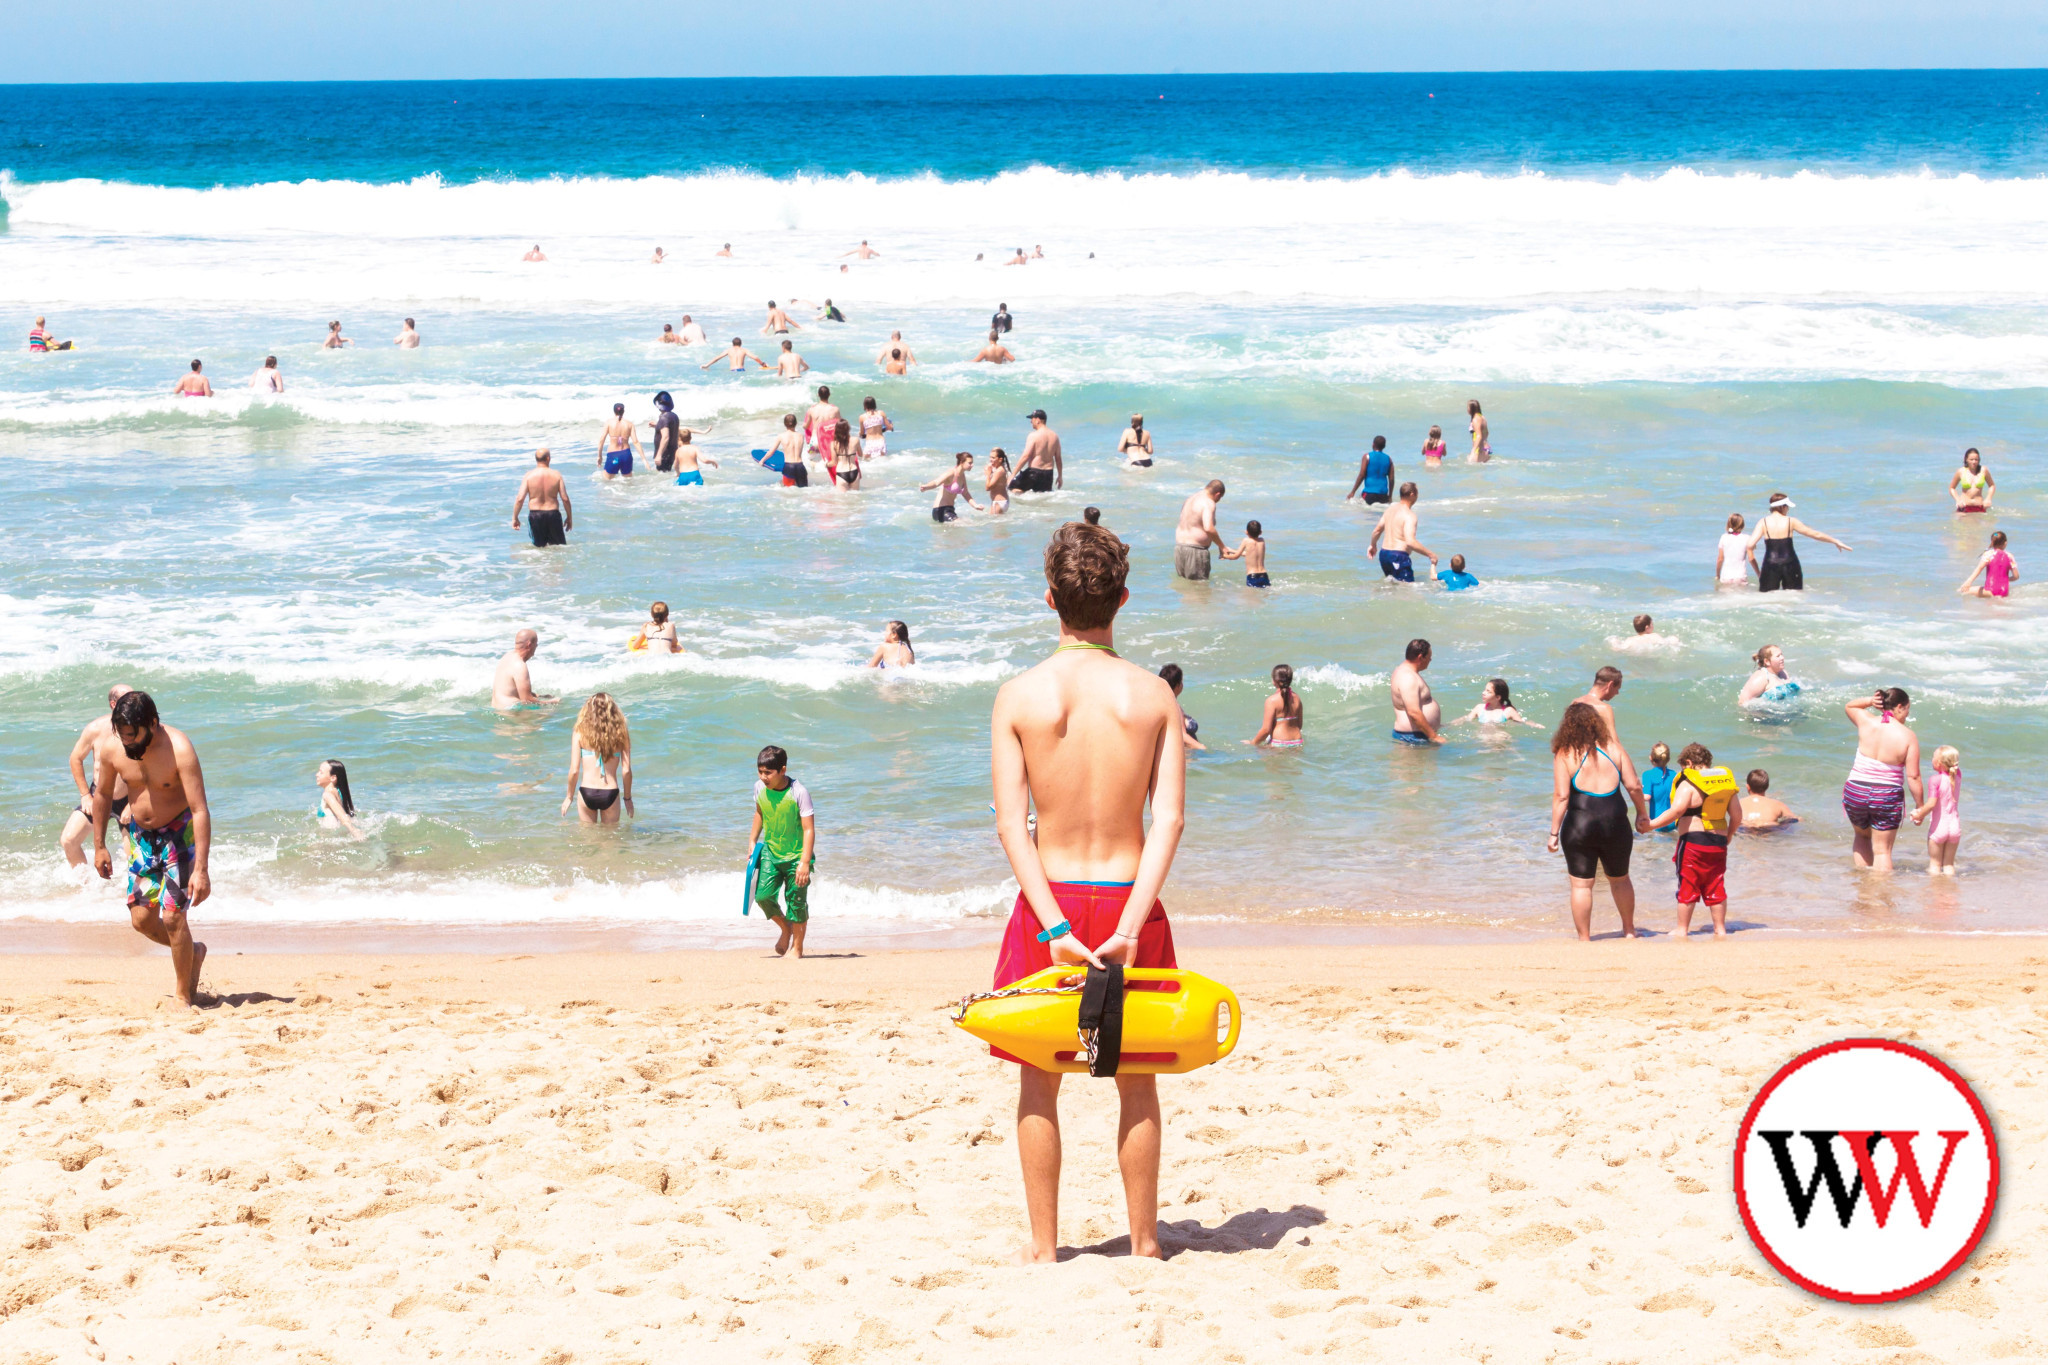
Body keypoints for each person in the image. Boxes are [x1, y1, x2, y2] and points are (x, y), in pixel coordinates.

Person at [989, 521, 1187, 1264]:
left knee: (1039, 1084)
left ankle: (1046, 1249)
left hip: (1052, 907)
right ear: (1124, 599)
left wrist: (1051, 929)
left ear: (1049, 599)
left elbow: (1013, 827)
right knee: (1137, 1083)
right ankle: (1143, 1244)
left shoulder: (1019, 697)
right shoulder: (1154, 697)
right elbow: (1168, 821)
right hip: (1133, 902)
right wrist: (1132, 924)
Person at [90, 691, 212, 1005]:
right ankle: (192, 953)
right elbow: (102, 795)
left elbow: (199, 809)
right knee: (142, 920)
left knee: (173, 919)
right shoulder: (114, 748)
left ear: (153, 724)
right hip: (141, 838)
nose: (127, 742)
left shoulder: (179, 749)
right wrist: (99, 845)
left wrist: (201, 870)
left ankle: (183, 995)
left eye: (133, 735)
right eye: (122, 735)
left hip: (178, 837)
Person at [1547, 701, 1649, 941]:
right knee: (1620, 879)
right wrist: (1642, 815)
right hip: (1615, 821)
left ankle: (1584, 938)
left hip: (1579, 824)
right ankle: (1629, 931)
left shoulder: (1565, 753)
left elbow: (1561, 797)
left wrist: (1553, 833)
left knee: (1582, 885)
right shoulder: (1614, 749)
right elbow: (1634, 785)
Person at [1646, 742, 1742, 938]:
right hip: (1718, 843)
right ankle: (1720, 929)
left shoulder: (1688, 783)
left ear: (1688, 763)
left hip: (1693, 842)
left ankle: (1682, 929)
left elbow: (1677, 810)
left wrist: (1651, 825)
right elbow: (1737, 816)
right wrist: (1729, 835)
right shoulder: (1724, 783)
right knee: (1716, 883)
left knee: (1688, 884)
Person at [1842, 688, 1924, 872]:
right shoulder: (1908, 736)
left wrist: (1870, 701)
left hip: (1856, 790)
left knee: (1862, 837)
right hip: (1885, 794)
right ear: (1900, 707)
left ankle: (1864, 886)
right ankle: (1879, 895)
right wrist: (1920, 806)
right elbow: (1913, 776)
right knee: (1882, 851)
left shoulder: (1866, 721)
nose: (1907, 715)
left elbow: (1850, 705)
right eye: (1907, 709)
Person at [749, 745, 815, 957]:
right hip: (771, 852)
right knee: (763, 896)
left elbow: (808, 829)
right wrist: (752, 840)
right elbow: (759, 812)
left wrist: (805, 862)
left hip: (797, 856)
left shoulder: (799, 792)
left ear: (783, 770)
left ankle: (797, 948)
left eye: (768, 772)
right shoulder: (759, 788)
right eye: (760, 771)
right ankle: (786, 927)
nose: (763, 777)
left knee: (796, 902)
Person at [60, 685, 133, 867]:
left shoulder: (139, 730)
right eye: (128, 700)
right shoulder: (95, 729)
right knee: (69, 840)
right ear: (113, 704)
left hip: (130, 797)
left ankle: (125, 892)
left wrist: (132, 805)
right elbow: (75, 758)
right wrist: (86, 795)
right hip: (99, 795)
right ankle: (87, 889)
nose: (133, 704)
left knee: (132, 856)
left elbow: (149, 771)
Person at [1749, 493, 1851, 593]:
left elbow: (1750, 545)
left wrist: (1758, 572)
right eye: (1787, 507)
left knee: (1767, 598)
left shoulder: (1763, 522)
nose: (1788, 509)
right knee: (1795, 596)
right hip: (1790, 563)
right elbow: (1815, 534)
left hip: (1770, 564)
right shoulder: (1791, 521)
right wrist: (1835, 541)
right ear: (1782, 507)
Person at [562, 693, 633, 825]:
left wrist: (569, 797)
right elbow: (626, 770)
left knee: (588, 841)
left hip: (586, 792)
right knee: (610, 843)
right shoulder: (621, 733)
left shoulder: (579, 732)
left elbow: (574, 770)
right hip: (610, 792)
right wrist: (628, 799)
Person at [1367, 482, 1437, 582]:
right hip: (1398, 556)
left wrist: (1372, 545)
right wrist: (1431, 555)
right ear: (1412, 494)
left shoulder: (1390, 509)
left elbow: (1377, 530)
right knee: (1407, 591)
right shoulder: (1409, 515)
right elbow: (1410, 542)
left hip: (1384, 555)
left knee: (1392, 587)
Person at [1911, 746, 1962, 875]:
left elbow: (1931, 804)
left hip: (1939, 827)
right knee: (1949, 865)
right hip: (1955, 827)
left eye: (1933, 757)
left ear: (1938, 762)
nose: (1931, 759)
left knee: (1935, 865)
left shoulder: (1935, 780)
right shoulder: (1958, 775)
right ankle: (1949, 890)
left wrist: (1919, 815)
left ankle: (1935, 891)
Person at [1391, 638, 1446, 745]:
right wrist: (1434, 737)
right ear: (1420, 657)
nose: (1430, 660)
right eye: (1429, 657)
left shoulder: (1403, 671)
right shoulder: (1408, 677)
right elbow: (1413, 712)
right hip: (1412, 738)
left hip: (1415, 736)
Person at [512, 449, 571, 546]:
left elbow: (520, 499)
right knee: (558, 548)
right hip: (553, 514)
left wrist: (515, 518)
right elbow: (565, 499)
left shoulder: (529, 476)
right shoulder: (556, 475)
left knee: (538, 549)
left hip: (536, 516)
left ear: (536, 459)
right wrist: (569, 518)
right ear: (548, 458)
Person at [1173, 481, 1227, 581]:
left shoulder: (1190, 499)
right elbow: (1208, 528)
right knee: (1199, 591)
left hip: (1179, 548)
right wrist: (1222, 547)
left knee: (1187, 590)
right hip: (1195, 551)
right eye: (1220, 498)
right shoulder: (1208, 502)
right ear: (1218, 494)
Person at [492, 630, 557, 710]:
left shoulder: (507, 657)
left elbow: (511, 690)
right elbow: (527, 701)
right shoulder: (520, 666)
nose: (536, 647)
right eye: (536, 644)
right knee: (554, 713)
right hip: (511, 713)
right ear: (529, 645)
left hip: (497, 709)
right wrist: (553, 702)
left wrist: (539, 696)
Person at [1247, 664, 1304, 747]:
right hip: (1297, 742)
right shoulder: (1297, 698)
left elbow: (1266, 730)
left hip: (1279, 743)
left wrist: (1253, 742)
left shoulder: (1271, 701)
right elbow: (1299, 725)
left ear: (1274, 681)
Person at [1454, 677, 1541, 728]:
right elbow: (1466, 719)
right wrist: (1448, 725)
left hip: (1501, 740)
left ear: (1498, 697)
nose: (1483, 693)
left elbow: (1522, 722)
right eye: (1484, 690)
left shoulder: (1508, 711)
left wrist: (1535, 725)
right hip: (1483, 740)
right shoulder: (1479, 708)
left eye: (1488, 691)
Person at [922, 452, 984, 522]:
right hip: (940, 510)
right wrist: (926, 487)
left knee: (963, 526)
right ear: (961, 462)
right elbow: (936, 482)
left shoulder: (962, 476)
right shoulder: (951, 473)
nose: (972, 465)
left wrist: (975, 506)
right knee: (963, 524)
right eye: (969, 463)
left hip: (950, 510)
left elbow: (965, 493)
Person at [1012, 410, 1062, 493]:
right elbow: (1058, 458)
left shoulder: (1034, 435)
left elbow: (1026, 456)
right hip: (1048, 474)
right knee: (1040, 497)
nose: (1031, 421)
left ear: (1038, 420)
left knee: (1012, 488)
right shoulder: (1055, 436)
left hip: (1034, 472)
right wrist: (1060, 476)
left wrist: (1013, 474)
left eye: (1032, 418)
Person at [1158, 663, 1205, 751]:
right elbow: (1182, 735)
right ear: (1178, 685)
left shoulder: (1162, 704)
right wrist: (1202, 747)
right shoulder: (1173, 706)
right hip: (1186, 756)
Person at [313, 760, 363, 839]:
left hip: (329, 838)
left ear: (333, 778)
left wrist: (354, 831)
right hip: (335, 835)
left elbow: (342, 815)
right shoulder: (338, 791)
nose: (316, 775)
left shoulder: (327, 795)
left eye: (321, 772)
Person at [1959, 531, 2016, 598]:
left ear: (1992, 542)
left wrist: (1968, 582)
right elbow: (2016, 576)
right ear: (2005, 543)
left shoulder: (1988, 554)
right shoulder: (2010, 556)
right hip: (2004, 592)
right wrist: (2003, 579)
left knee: (1961, 591)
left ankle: (1968, 607)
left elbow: (1979, 568)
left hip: (1990, 591)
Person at [1346, 436, 1394, 505]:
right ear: (1384, 446)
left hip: (1369, 494)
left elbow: (1362, 475)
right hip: (1383, 495)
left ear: (1373, 444)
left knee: (1365, 513)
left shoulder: (1367, 457)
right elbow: (1391, 479)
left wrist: (1353, 492)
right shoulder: (1389, 459)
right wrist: (1390, 496)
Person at [1220, 519, 1269, 587]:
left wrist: (1224, 556)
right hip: (1264, 575)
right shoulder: (1262, 541)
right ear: (1260, 532)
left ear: (1246, 532)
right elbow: (1250, 554)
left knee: (1251, 597)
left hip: (1252, 576)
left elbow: (1235, 557)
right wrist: (1232, 550)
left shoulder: (1246, 540)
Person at [597, 402, 640, 478]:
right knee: (628, 483)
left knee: (606, 482)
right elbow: (635, 441)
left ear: (614, 411)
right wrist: (644, 460)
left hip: (614, 455)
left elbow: (601, 440)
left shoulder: (609, 422)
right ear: (624, 411)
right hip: (626, 455)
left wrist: (599, 456)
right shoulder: (630, 424)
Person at [767, 414, 810, 487]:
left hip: (789, 467)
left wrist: (762, 461)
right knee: (804, 491)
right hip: (800, 466)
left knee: (789, 493)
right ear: (796, 423)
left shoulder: (781, 436)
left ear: (784, 424)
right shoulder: (801, 436)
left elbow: (771, 452)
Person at [1715, 512, 1756, 587]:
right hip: (1740, 576)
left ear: (1728, 524)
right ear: (1742, 525)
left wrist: (1717, 575)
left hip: (1726, 575)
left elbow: (1720, 559)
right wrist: (1759, 573)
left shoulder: (1724, 537)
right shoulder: (1747, 538)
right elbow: (1751, 557)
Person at [646, 391, 682, 472]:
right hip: (672, 452)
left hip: (664, 454)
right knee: (666, 475)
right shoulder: (674, 416)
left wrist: (659, 455)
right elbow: (671, 429)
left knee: (661, 475)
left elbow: (665, 437)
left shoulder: (663, 418)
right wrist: (657, 425)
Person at [1950, 448, 1994, 513]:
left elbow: (1992, 485)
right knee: (1959, 523)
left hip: (1980, 506)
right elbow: (1952, 488)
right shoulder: (1961, 471)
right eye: (1971, 459)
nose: (1974, 462)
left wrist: (1988, 498)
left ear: (1979, 460)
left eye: (1976, 459)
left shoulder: (1983, 470)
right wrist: (1958, 500)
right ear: (1966, 459)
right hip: (1964, 507)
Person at [1641, 742, 1675, 823]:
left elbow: (1646, 797)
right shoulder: (1674, 774)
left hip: (1657, 822)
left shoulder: (1647, 775)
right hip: (1673, 821)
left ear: (1650, 758)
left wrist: (1637, 792)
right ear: (1668, 759)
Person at [803, 386, 841, 457]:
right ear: (829, 394)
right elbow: (840, 426)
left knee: (811, 460)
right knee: (830, 462)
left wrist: (803, 425)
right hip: (829, 441)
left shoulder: (812, 409)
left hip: (815, 441)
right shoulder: (835, 409)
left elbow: (806, 426)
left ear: (818, 395)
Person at [826, 419, 862, 489]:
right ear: (848, 428)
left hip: (841, 473)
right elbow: (860, 454)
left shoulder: (834, 444)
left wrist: (826, 464)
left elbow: (834, 462)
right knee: (855, 498)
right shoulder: (856, 440)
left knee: (841, 499)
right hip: (854, 472)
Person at [702, 337, 768, 371]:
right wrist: (762, 364)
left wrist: (707, 365)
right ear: (741, 344)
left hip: (733, 370)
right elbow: (755, 357)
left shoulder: (728, 350)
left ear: (732, 344)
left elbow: (717, 358)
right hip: (742, 370)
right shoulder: (744, 350)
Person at [985, 449, 1013, 513]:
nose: (990, 460)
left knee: (993, 522)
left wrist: (988, 474)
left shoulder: (999, 471)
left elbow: (988, 487)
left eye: (993, 458)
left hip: (999, 502)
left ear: (1000, 459)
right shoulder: (1000, 469)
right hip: (1001, 501)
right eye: (990, 457)